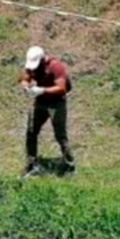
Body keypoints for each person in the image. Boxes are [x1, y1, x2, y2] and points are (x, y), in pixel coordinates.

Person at [18, 46, 75, 178]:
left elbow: (61, 88)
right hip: (41, 102)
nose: (33, 68)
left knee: (60, 135)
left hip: (57, 104)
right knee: (31, 131)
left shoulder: (56, 67)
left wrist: (42, 90)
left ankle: (69, 163)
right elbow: (23, 78)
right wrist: (26, 86)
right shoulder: (32, 67)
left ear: (43, 59)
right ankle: (31, 163)